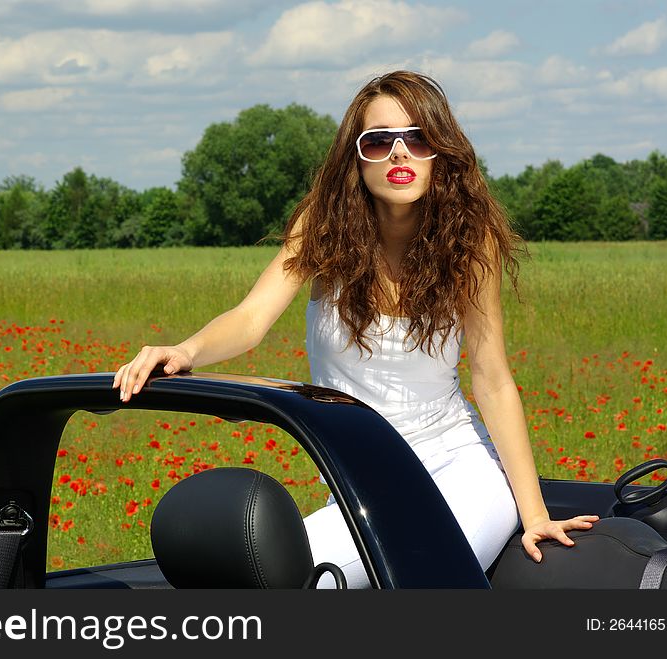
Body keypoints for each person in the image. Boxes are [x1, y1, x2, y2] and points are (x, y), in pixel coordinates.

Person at [112, 70, 598, 587]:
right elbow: (251, 319)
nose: (399, 153)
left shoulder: (469, 242)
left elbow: (493, 379)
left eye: (418, 138)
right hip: (356, 478)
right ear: (356, 156)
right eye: (379, 140)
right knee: (284, 579)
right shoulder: (322, 229)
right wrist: (185, 350)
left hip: (461, 468)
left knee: (426, 575)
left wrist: (535, 513)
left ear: (441, 151)